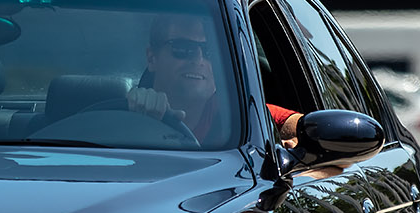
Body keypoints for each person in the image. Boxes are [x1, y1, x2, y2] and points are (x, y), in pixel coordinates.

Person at [128, 13, 301, 146]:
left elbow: (303, 124)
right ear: (152, 58)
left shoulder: (239, 115)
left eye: (209, 51)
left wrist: (298, 142)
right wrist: (137, 121)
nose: (198, 59)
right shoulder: (125, 115)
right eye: (182, 48)